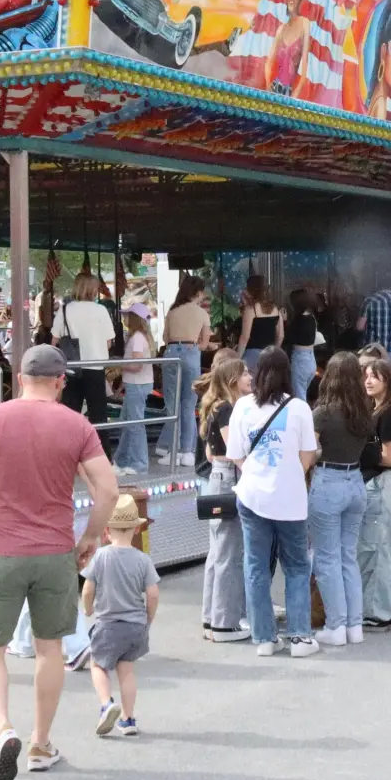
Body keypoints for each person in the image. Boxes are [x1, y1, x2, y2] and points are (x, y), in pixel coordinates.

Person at [0, 344, 119, 780]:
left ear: (19, 377)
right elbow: (109, 491)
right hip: (55, 552)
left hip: (1, 551)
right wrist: (92, 536)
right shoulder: (77, 424)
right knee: (50, 650)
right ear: (61, 382)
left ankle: (3, 727)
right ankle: (41, 743)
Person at [227, 348, 318, 657]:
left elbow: (236, 454)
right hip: (291, 499)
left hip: (251, 496)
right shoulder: (300, 408)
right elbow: (308, 454)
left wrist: (257, 472)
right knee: (296, 566)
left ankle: (264, 638)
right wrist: (288, 474)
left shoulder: (242, 407)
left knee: (255, 566)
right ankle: (299, 637)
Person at [80, 495, 158, 738]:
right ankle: (128, 718)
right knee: (126, 670)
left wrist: (88, 608)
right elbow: (153, 594)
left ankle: (106, 704)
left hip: (108, 624)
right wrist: (148, 618)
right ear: (136, 529)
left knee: (98, 665)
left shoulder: (101, 557)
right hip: (135, 626)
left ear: (106, 531)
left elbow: (88, 588)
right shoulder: (143, 560)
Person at [310, 352, 372, 646]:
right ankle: (354, 626)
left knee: (326, 557)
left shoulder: (323, 412)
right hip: (356, 482)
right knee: (348, 556)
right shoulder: (364, 410)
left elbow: (310, 451)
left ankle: (335, 625)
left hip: (329, 481)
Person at [196, 357, 250, 643]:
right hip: (229, 477)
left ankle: (211, 617)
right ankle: (224, 623)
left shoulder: (213, 407)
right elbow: (233, 449)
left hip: (216, 478)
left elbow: (209, 453)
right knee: (230, 552)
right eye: (245, 373)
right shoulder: (228, 409)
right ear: (232, 380)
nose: (250, 377)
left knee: (217, 553)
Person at [358, 358, 391, 628]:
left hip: (383, 483)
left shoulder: (390, 414)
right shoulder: (373, 410)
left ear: (387, 380)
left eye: (374, 376)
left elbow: (390, 457)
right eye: (366, 375)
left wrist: (361, 452)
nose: (368, 381)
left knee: (378, 549)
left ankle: (382, 611)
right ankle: (377, 606)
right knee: (370, 548)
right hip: (374, 484)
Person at [157, 275, 213, 467]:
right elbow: (204, 344)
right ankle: (187, 452)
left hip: (171, 352)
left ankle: (172, 449)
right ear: (197, 293)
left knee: (173, 405)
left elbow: (165, 338)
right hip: (191, 353)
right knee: (189, 405)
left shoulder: (172, 312)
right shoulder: (201, 313)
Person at [54, 272, 117, 431]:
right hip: (95, 367)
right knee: (98, 416)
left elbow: (54, 340)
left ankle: (68, 452)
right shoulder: (101, 310)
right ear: (93, 290)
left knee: (69, 415)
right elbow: (108, 342)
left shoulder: (65, 310)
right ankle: (101, 453)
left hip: (72, 367)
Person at [113, 303, 155, 477]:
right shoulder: (142, 337)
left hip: (137, 384)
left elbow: (137, 365)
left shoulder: (137, 338)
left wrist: (118, 363)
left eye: (128, 315)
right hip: (137, 383)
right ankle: (121, 460)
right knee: (129, 422)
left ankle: (139, 464)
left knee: (135, 424)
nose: (125, 319)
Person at [264, 0, 311, 96]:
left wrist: (292, 100)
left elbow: (303, 75)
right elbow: (268, 63)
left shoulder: (305, 24)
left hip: (289, 95)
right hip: (274, 90)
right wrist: (267, 86)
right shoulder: (281, 30)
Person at [358, 276, 391, 363]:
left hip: (372, 349)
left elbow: (359, 326)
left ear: (378, 285)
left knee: (372, 374)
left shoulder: (370, 300)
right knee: (388, 375)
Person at [237, 275, 284, 371]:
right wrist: (273, 351)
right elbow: (280, 336)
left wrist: (237, 358)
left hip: (252, 355)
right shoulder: (275, 308)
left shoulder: (251, 309)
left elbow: (244, 337)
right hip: (270, 355)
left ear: (251, 289)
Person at [288, 288, 323, 403]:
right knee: (302, 392)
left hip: (300, 358)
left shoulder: (298, 320)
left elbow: (289, 337)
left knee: (299, 397)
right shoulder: (312, 318)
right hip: (310, 358)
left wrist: (283, 322)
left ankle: (304, 419)